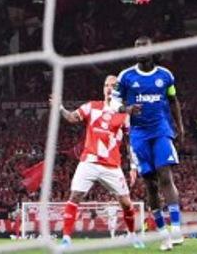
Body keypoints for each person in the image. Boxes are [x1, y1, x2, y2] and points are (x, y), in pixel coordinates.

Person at [51, 75, 142, 249]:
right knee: (74, 196)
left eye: (113, 86)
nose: (108, 88)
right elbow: (72, 117)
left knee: (126, 203)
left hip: (112, 165)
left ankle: (132, 235)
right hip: (89, 162)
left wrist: (133, 166)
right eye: (106, 85)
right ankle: (66, 239)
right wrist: (60, 108)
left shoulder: (124, 114)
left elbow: (132, 142)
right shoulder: (92, 106)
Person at [117, 38, 187, 250]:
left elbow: (173, 100)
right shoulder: (125, 76)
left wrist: (180, 127)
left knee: (165, 175)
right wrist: (126, 109)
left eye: (144, 47)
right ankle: (163, 233)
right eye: (136, 47)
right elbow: (114, 102)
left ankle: (176, 228)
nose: (140, 51)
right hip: (139, 135)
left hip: (160, 130)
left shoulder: (165, 76)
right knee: (150, 184)